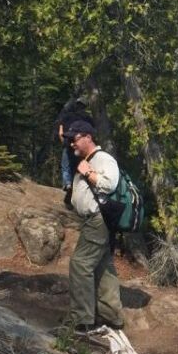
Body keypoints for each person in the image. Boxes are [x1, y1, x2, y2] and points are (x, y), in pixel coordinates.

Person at [65, 120, 124, 332]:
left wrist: (87, 172)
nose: (72, 143)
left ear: (88, 137)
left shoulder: (103, 158)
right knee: (103, 267)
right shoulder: (89, 159)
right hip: (95, 220)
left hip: (98, 219)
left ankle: (82, 321)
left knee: (80, 264)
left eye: (75, 138)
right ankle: (111, 317)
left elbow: (109, 184)